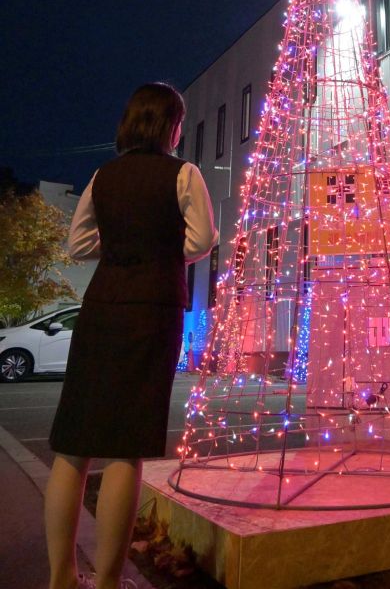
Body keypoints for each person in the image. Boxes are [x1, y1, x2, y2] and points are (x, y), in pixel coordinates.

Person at [45, 83, 218, 589]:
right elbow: (203, 240)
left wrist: (120, 246)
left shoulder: (104, 176)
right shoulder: (183, 174)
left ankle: (59, 577)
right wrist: (161, 252)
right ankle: (107, 581)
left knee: (72, 444)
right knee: (125, 446)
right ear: (171, 125)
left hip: (101, 307)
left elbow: (77, 244)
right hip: (152, 310)